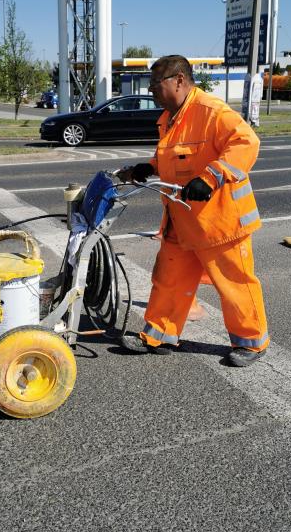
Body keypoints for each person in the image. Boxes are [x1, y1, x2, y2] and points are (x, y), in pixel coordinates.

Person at [118, 55, 268, 367]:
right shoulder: (170, 118)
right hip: (181, 220)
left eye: (155, 85)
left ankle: (252, 343)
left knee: (235, 284)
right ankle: (159, 335)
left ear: (179, 81)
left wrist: (212, 176)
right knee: (168, 280)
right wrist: (149, 167)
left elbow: (246, 142)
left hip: (220, 222)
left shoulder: (211, 111)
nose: (151, 91)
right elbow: (177, 160)